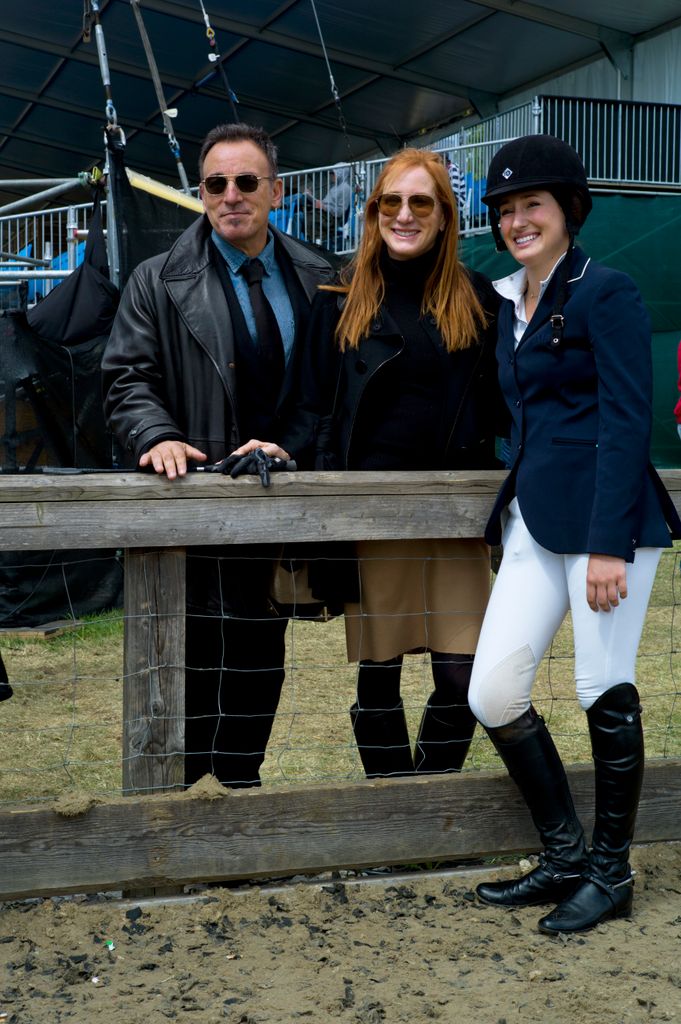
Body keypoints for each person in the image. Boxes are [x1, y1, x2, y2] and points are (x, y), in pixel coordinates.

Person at [467, 134, 681, 934]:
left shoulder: (608, 292)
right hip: (531, 521)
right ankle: (562, 856)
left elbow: (628, 420)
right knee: (490, 690)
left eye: (533, 205)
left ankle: (611, 871)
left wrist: (605, 545)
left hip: (605, 525)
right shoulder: (505, 302)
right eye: (505, 208)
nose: (517, 219)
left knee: (600, 685)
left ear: (567, 211)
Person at [234, 148, 505, 778]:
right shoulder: (338, 299)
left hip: (454, 514)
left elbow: (507, 401)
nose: (404, 215)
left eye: (421, 202)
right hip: (372, 509)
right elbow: (308, 402)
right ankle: (393, 809)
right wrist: (283, 446)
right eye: (391, 201)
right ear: (373, 211)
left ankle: (432, 800)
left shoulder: (481, 302)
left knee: (464, 677)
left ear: (445, 217)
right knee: (380, 676)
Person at [102, 122, 334, 788]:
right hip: (190, 505)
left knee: (262, 654)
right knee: (188, 655)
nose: (230, 195)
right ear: (200, 192)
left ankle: (239, 791)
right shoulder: (157, 280)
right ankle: (177, 800)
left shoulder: (322, 276)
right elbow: (126, 377)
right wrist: (156, 434)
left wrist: (294, 446)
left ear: (276, 190)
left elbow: (332, 386)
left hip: (279, 507)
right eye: (215, 183)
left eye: (245, 181)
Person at [306, 164, 352, 245]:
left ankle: (318, 243)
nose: (331, 175)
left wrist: (324, 207)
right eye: (331, 173)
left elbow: (340, 211)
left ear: (341, 173)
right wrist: (311, 197)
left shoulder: (346, 188)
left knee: (310, 217)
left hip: (332, 218)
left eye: (333, 173)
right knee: (300, 215)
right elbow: (324, 203)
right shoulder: (333, 187)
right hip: (323, 214)